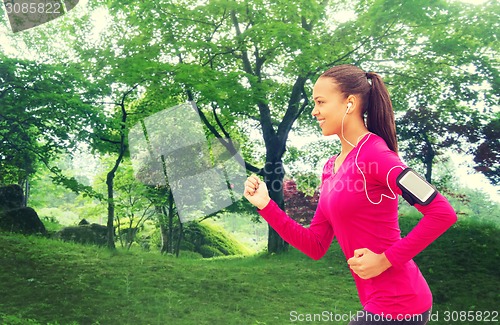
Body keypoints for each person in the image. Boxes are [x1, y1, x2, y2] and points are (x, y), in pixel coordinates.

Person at [243, 64, 457, 324]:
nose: (314, 111)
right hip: (375, 302)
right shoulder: (331, 167)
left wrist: (386, 260)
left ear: (350, 103)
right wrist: (266, 205)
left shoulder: (377, 155)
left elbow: (442, 212)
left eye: (321, 102)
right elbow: (316, 245)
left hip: (402, 303)